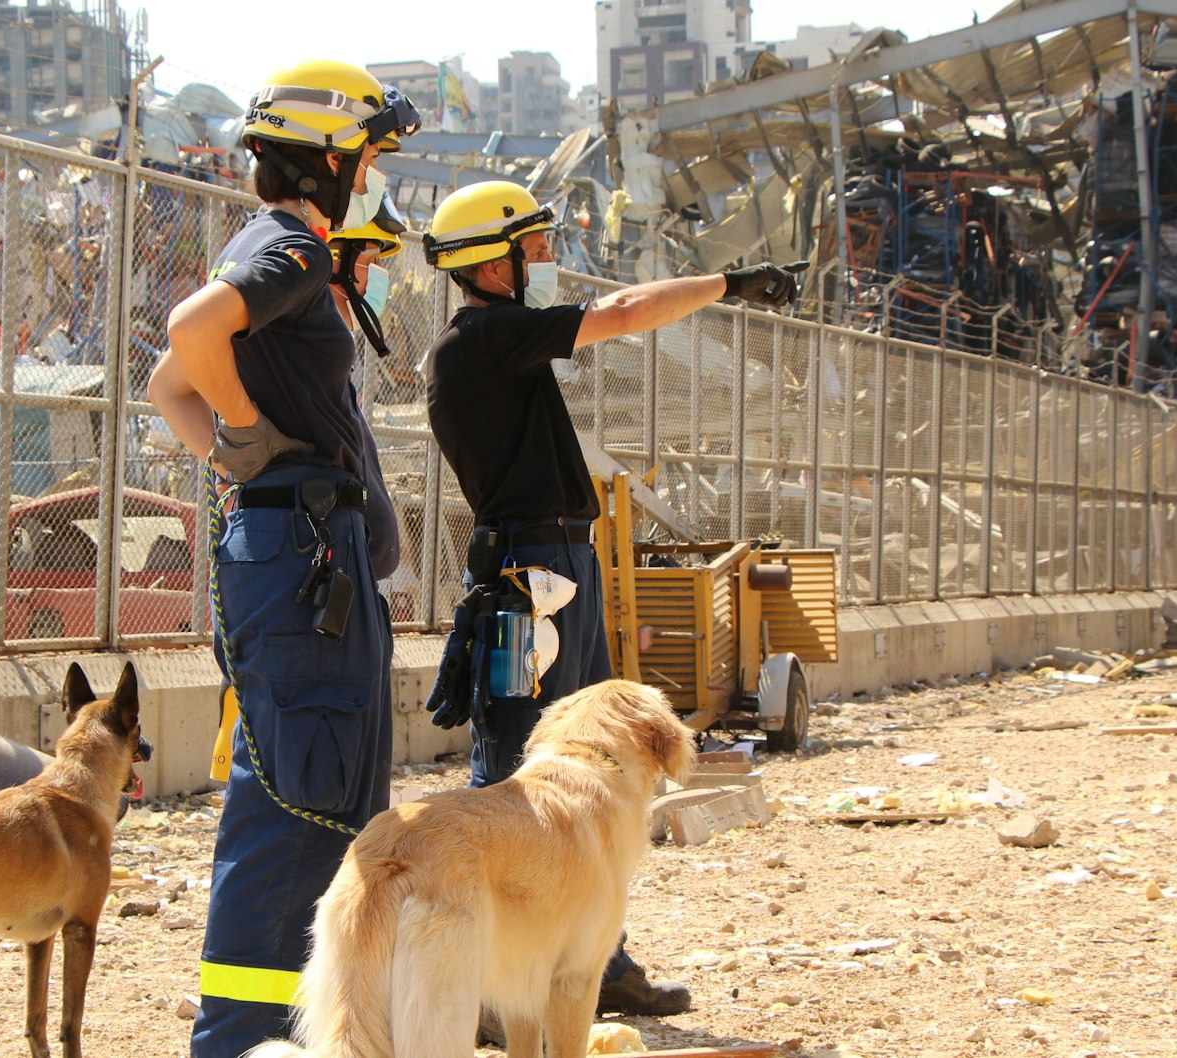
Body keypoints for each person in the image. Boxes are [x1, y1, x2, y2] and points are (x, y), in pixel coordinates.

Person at [420, 180, 804, 1018]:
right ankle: (504, 983)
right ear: (492, 262)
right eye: (532, 246)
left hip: (553, 567)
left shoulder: (490, 342)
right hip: (533, 581)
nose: (546, 260)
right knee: (525, 767)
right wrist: (730, 286)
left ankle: (594, 963)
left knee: (585, 761)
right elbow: (626, 310)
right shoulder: (484, 340)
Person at [148, 59, 406, 1058]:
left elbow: (169, 384)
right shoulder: (294, 243)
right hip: (299, 550)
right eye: (373, 155)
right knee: (296, 795)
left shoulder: (271, 247)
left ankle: (295, 1028)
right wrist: (249, 439)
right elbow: (186, 336)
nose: (377, 174)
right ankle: (237, 1039)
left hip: (296, 545)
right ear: (332, 157)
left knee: (318, 790)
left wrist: (234, 452)